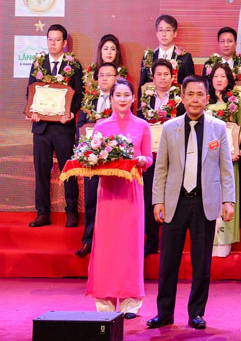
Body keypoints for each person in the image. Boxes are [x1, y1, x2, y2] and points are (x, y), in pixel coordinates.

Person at [147, 75, 236, 330]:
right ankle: (164, 313)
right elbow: (161, 168)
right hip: (174, 202)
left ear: (207, 98)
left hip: (203, 203)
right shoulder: (169, 128)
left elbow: (226, 168)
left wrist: (228, 200)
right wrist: (157, 201)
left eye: (200, 95)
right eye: (190, 94)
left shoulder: (218, 127)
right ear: (182, 98)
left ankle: (196, 313)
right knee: (168, 262)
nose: (195, 99)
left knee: (202, 263)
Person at [86, 78, 152, 318]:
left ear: (134, 98)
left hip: (131, 192)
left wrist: (144, 161)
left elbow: (148, 157)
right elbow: (91, 157)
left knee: (130, 246)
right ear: (111, 98)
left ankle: (130, 303)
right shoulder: (101, 126)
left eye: (127, 95)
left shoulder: (142, 126)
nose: (122, 99)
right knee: (106, 246)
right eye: (118, 95)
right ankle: (104, 301)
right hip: (108, 192)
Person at [27, 24, 83, 228]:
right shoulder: (38, 63)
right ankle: (42, 212)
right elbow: (30, 91)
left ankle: (72, 211)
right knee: (41, 171)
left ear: (65, 42)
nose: (53, 43)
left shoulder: (73, 65)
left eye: (57, 40)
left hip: (63, 127)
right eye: (50, 39)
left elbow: (79, 94)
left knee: (68, 170)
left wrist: (71, 113)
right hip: (41, 127)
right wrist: (32, 111)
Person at [137, 59, 185, 255]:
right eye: (159, 74)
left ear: (172, 77)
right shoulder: (145, 100)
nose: (163, 78)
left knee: (171, 197)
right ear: (153, 77)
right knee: (149, 197)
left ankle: (170, 241)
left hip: (172, 155)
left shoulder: (180, 100)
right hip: (150, 156)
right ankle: (151, 239)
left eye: (166, 74)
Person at [75, 62, 119, 258]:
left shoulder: (120, 99)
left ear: (116, 79)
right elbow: (81, 127)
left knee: (113, 202)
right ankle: (88, 241)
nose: (105, 78)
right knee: (91, 199)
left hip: (113, 160)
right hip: (92, 159)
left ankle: (111, 244)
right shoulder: (89, 100)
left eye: (109, 75)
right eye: (101, 75)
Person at [206, 63, 241, 257]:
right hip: (209, 161)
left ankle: (225, 241)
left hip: (230, 159)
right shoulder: (205, 101)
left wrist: (234, 147)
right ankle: (209, 239)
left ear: (228, 79)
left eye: (223, 76)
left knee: (227, 197)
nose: (219, 80)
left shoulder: (235, 102)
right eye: (216, 76)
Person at [139, 15, 194, 91]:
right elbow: (142, 85)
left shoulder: (185, 57)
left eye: (168, 30)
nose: (164, 34)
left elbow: (190, 85)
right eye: (160, 30)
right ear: (157, 33)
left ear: (175, 33)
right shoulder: (148, 57)